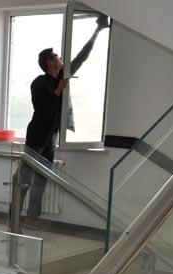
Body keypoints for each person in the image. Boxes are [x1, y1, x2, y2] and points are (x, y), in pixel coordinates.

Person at [21, 15, 109, 225]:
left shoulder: (61, 77)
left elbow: (81, 57)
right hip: (37, 136)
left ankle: (32, 218)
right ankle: (14, 219)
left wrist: (97, 31)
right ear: (49, 62)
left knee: (41, 179)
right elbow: (41, 109)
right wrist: (58, 92)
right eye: (57, 56)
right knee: (24, 181)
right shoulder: (39, 82)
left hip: (51, 137)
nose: (61, 58)